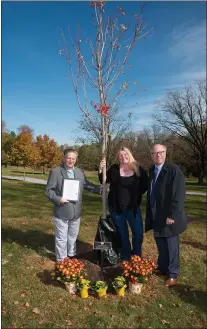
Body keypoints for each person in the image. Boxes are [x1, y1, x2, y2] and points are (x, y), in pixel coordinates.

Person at [46, 148, 100, 261]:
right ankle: (61, 260)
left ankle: (71, 255)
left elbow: (87, 184)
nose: (70, 160)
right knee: (61, 237)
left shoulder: (80, 172)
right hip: (62, 210)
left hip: (76, 212)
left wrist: (100, 189)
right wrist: (58, 199)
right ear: (64, 158)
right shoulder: (56, 172)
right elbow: (49, 191)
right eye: (68, 158)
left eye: (73, 158)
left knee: (72, 236)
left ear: (76, 160)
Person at [145, 144, 188, 287]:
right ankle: (162, 268)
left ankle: (173, 274)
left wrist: (173, 215)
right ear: (151, 155)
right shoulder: (152, 170)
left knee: (171, 246)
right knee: (161, 244)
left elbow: (179, 194)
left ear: (165, 153)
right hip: (157, 214)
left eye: (161, 152)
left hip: (169, 216)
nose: (158, 155)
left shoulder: (173, 170)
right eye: (155, 153)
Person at [99, 147, 148, 261]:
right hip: (116, 208)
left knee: (138, 233)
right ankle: (126, 255)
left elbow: (145, 185)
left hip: (133, 209)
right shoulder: (114, 169)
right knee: (122, 233)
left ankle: (136, 255)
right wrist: (101, 169)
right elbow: (103, 180)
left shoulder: (138, 169)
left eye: (125, 155)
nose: (123, 157)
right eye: (120, 155)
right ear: (118, 157)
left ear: (129, 155)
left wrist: (136, 195)